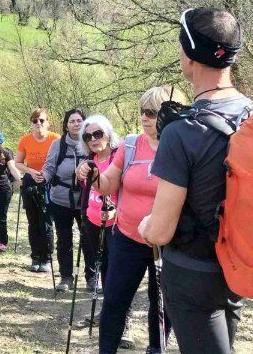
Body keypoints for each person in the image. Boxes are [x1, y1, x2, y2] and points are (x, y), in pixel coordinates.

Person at [139, 7, 253, 354]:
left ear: (190, 56)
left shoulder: (181, 131)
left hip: (193, 272)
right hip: (239, 265)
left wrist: (145, 226)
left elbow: (160, 231)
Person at [80, 86, 187, 353]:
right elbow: (107, 185)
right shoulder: (130, 144)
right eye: (142, 111)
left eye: (152, 112)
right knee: (115, 300)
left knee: (161, 303)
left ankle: (156, 349)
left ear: (169, 114)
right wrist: (92, 175)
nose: (144, 117)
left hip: (166, 242)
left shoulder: (183, 148)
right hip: (127, 238)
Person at [43, 108, 95, 292]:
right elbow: (49, 168)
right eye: (72, 121)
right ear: (66, 125)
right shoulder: (58, 145)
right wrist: (43, 178)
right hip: (61, 200)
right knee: (64, 239)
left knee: (89, 239)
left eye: (79, 120)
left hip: (87, 200)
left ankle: (92, 278)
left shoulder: (91, 142)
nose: (76, 124)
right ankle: (66, 277)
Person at [74, 114, 120, 299]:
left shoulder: (119, 157)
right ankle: (108, 308)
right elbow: (83, 187)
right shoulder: (87, 160)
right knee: (102, 264)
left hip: (115, 224)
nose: (93, 139)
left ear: (108, 134)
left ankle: (117, 313)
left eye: (98, 134)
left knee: (115, 269)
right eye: (88, 136)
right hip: (92, 220)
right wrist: (78, 174)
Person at [11, 107, 59, 272]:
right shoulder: (25, 140)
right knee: (33, 221)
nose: (38, 124)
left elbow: (60, 162)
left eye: (42, 120)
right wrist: (31, 172)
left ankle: (47, 258)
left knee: (45, 221)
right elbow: (17, 163)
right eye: (35, 121)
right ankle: (35, 257)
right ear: (31, 124)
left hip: (49, 182)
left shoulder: (56, 139)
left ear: (47, 123)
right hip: (31, 180)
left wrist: (46, 174)